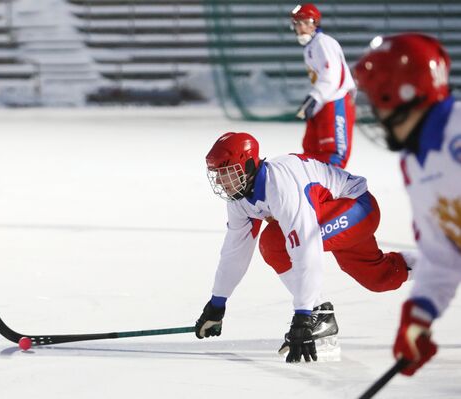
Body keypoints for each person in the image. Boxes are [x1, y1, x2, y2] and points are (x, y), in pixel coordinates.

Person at [195, 132, 414, 363]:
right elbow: (234, 252)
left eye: (226, 172)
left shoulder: (281, 186)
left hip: (358, 209)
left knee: (274, 243)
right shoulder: (239, 200)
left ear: (248, 165)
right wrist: (217, 303)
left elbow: (305, 248)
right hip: (336, 213)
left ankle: (320, 313)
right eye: (216, 174)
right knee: (381, 277)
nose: (219, 181)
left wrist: (303, 314)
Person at [353, 33, 461, 376]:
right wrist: (421, 310)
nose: (375, 112)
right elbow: (442, 252)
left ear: (402, 94)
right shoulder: (415, 162)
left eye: (376, 100)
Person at [290, 3, 356, 169]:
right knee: (311, 153)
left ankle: (330, 192)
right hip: (323, 103)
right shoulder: (310, 47)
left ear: (316, 23)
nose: (302, 27)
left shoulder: (323, 42)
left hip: (335, 101)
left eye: (306, 22)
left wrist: (315, 97)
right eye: (298, 23)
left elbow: (332, 76)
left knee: (333, 155)